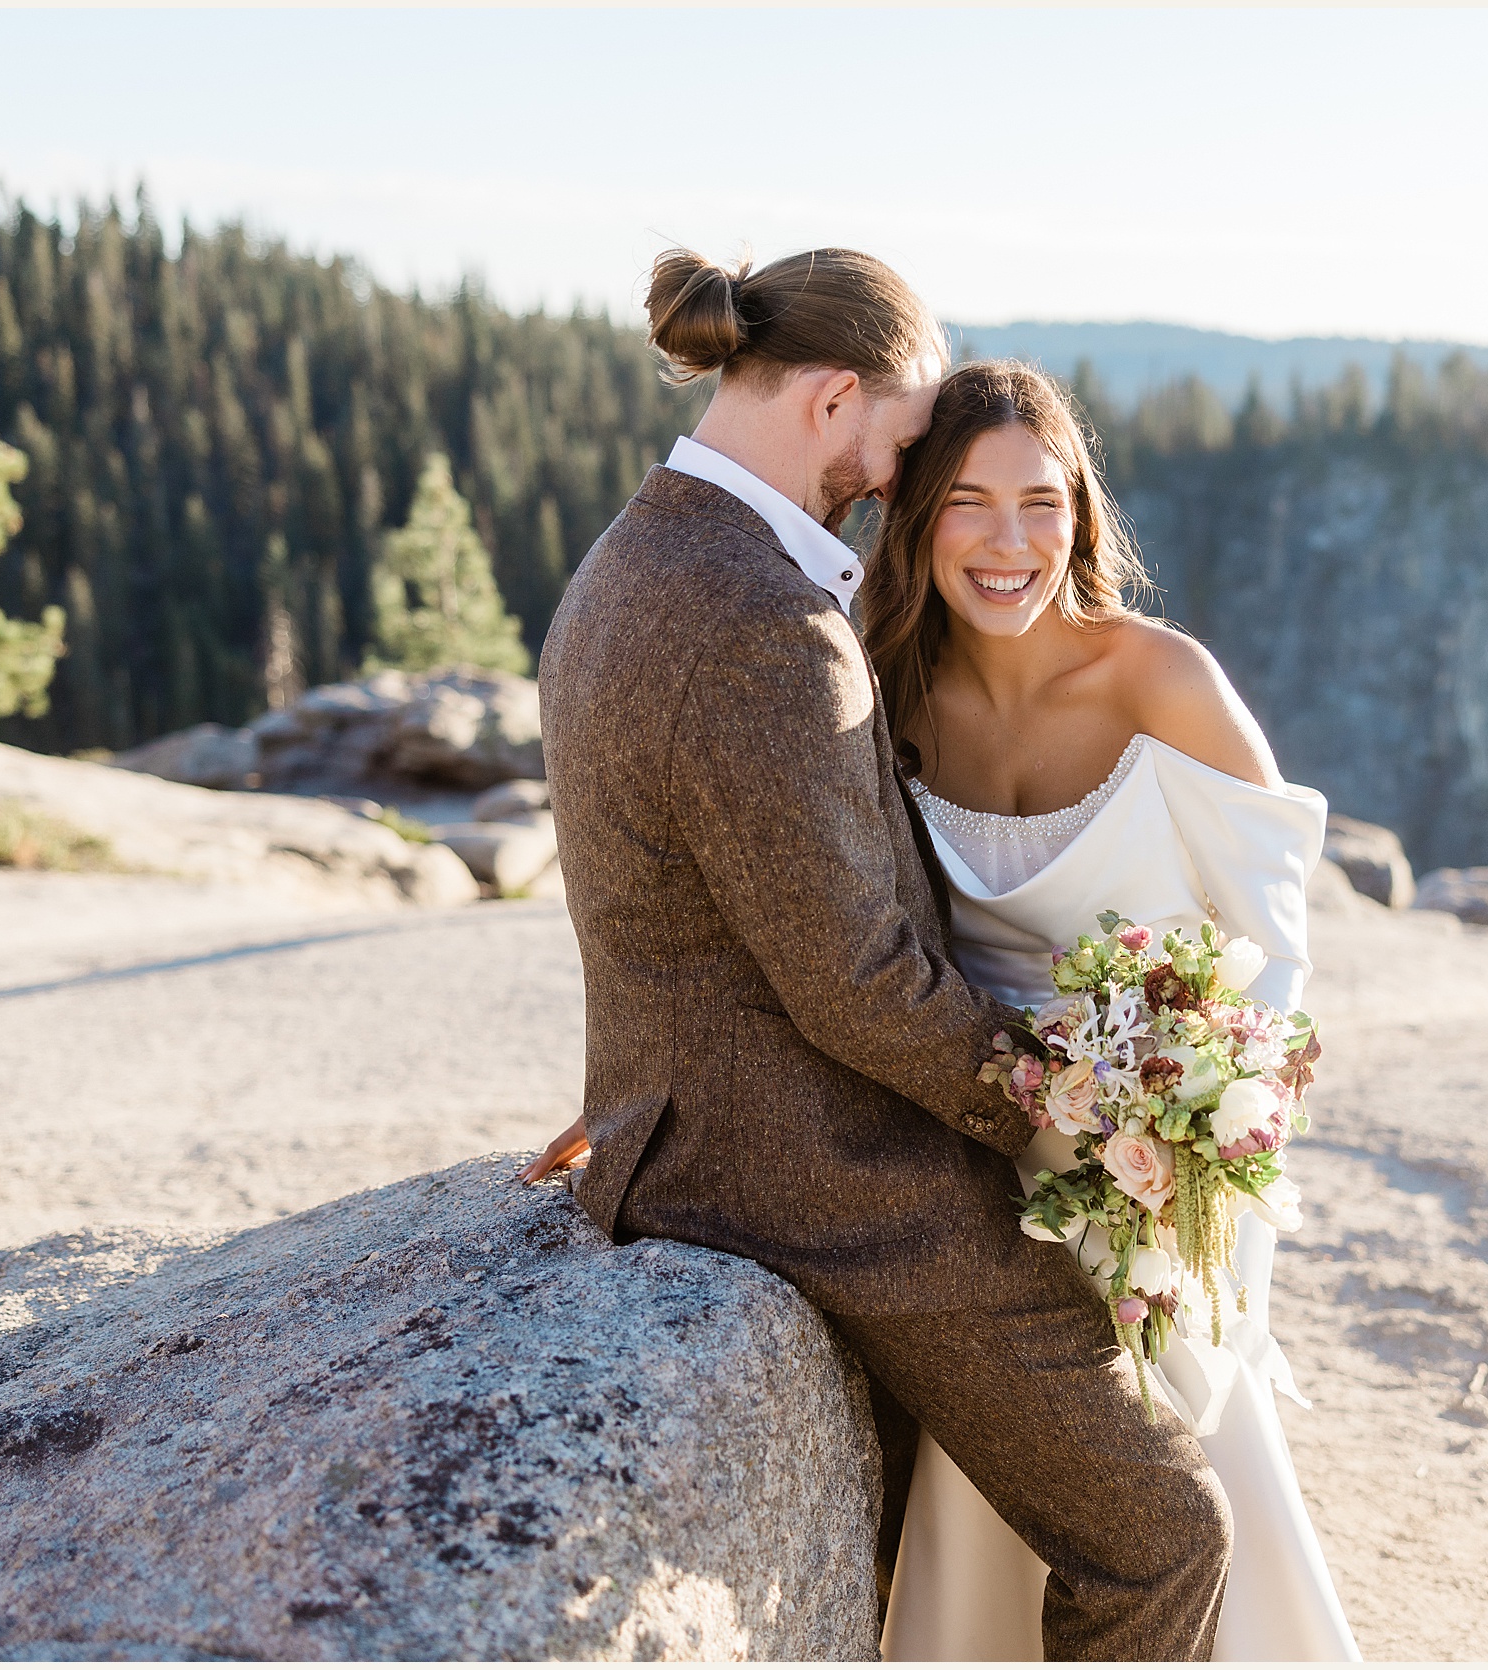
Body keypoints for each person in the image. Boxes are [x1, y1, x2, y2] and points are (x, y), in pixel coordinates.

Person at [517, 248, 1232, 1660]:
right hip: (810, 1167)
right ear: (836, 398)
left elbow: (694, 900)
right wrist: (1057, 1108)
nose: (899, 485)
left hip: (703, 1122)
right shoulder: (759, 621)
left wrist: (633, 1087)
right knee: (1163, 1532)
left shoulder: (637, 553)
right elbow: (854, 979)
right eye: (909, 448)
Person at [859, 360, 1361, 1661]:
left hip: (1162, 1160)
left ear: (1083, 512)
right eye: (969, 502)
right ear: (916, 520)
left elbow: (1277, 960)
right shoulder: (889, 694)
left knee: (1186, 1443)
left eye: (1044, 499)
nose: (1012, 540)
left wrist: (1215, 1160)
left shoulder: (1162, 682)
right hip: (977, 1149)